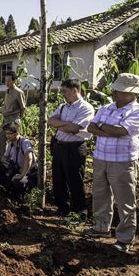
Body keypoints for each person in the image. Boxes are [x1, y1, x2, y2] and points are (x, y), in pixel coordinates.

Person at [84, 73, 139, 253]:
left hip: (122, 161)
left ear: (132, 93)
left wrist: (102, 127)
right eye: (116, 89)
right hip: (100, 157)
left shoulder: (138, 112)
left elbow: (121, 131)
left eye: (120, 90)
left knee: (125, 200)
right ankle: (100, 228)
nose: (115, 92)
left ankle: (125, 238)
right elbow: (90, 126)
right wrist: (107, 129)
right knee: (100, 194)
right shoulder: (106, 108)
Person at [47, 78, 94, 217]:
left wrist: (60, 124)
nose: (63, 94)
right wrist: (66, 124)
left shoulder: (86, 108)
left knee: (75, 180)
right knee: (58, 179)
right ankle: (63, 209)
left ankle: (80, 211)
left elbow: (74, 128)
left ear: (75, 90)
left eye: (65, 91)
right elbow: (50, 121)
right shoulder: (63, 107)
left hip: (75, 147)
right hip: (59, 146)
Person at [0, 122, 38, 201]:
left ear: (16, 133)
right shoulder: (11, 143)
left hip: (29, 174)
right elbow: (4, 157)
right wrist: (9, 163)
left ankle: (23, 198)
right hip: (17, 170)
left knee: (17, 182)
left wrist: (22, 175)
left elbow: (29, 158)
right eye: (6, 133)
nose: (7, 136)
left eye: (10, 134)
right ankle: (9, 193)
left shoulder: (25, 142)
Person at [0, 71, 26, 162]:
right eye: (5, 80)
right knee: (0, 140)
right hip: (6, 120)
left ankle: (16, 161)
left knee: (13, 141)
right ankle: (0, 160)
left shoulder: (18, 92)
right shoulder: (7, 92)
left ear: (14, 81)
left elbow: (23, 108)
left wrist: (19, 120)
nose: (6, 83)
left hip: (13, 120)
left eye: (9, 80)